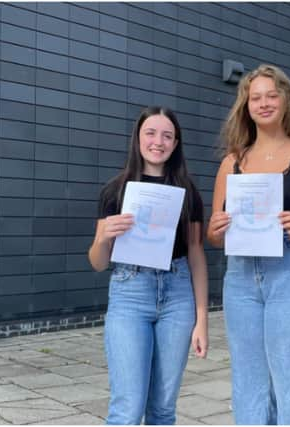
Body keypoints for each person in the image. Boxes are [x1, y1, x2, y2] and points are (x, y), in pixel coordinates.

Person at [206, 64, 290, 425]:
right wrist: (217, 228)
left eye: (272, 95)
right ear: (246, 105)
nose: (264, 103)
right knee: (248, 384)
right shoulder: (231, 163)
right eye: (256, 97)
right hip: (241, 280)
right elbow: (213, 235)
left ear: (286, 100)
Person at [88, 106, 209, 425]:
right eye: (151, 133)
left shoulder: (189, 193)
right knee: (127, 408)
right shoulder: (115, 191)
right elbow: (98, 263)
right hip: (130, 293)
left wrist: (202, 320)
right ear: (138, 138)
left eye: (167, 135)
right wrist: (103, 239)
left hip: (177, 295)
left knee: (163, 408)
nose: (159, 141)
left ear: (176, 143)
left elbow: (197, 253)